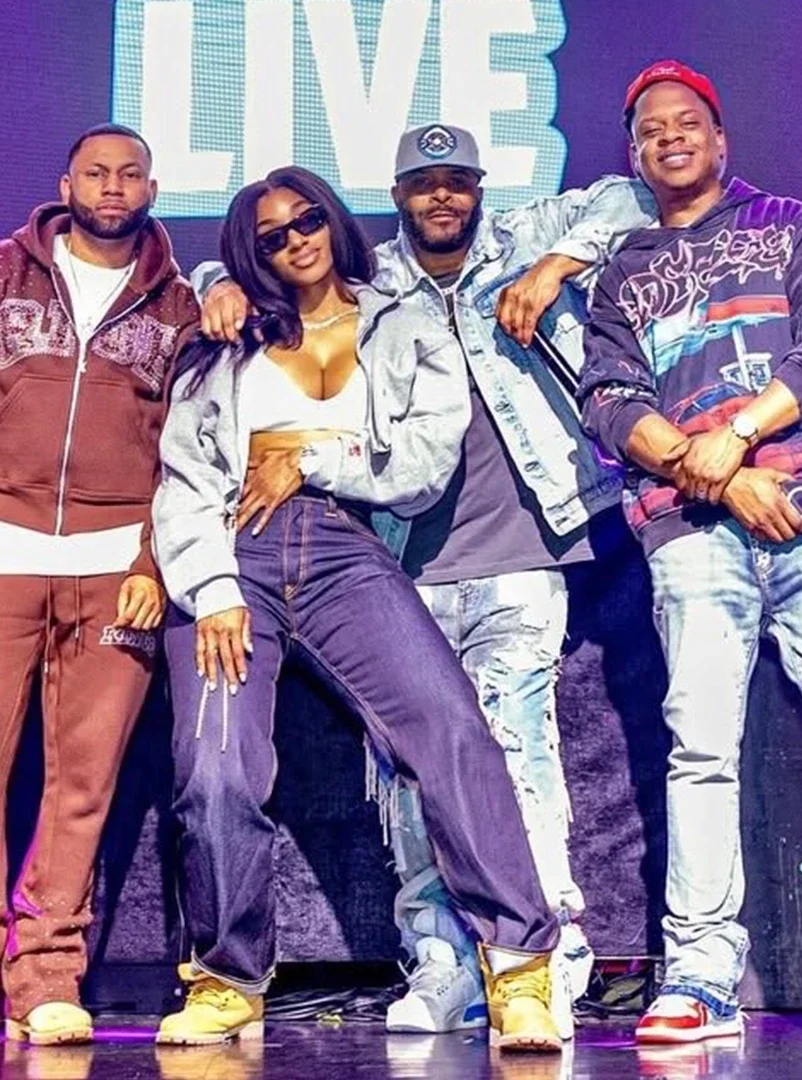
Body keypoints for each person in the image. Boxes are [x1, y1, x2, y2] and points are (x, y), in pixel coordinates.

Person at [194, 125, 657, 1033]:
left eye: (456, 180)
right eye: (422, 183)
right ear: (397, 195)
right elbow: (256, 277)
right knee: (406, 775)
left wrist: (555, 266)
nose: (441, 196)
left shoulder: (521, 242)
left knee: (513, 753)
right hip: (400, 561)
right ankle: (443, 960)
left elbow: (636, 198)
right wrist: (219, 282)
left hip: (521, 549)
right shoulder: (375, 286)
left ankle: (540, 959)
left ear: (480, 187)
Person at [579, 60, 802, 1044]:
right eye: (650, 129)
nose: (669, 136)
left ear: (720, 139)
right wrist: (712, 472)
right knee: (702, 750)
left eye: (686, 122)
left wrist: (741, 434)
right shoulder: (624, 269)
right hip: (693, 534)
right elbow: (609, 403)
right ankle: (703, 978)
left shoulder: (785, 224)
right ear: (635, 156)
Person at [0, 124, 199, 1045]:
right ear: (66, 185)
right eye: (96, 173)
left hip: (115, 567)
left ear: (152, 188)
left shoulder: (179, 304)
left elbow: (189, 449)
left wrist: (152, 560)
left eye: (129, 174)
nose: (112, 187)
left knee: (84, 781)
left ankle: (46, 976)